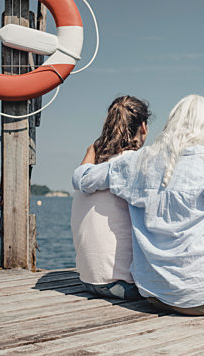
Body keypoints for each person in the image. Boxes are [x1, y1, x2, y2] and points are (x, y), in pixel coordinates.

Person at [72, 94, 204, 315]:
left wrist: (90, 152)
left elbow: (82, 179)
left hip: (153, 293)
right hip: (203, 292)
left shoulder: (138, 161)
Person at [70, 95, 151, 300]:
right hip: (123, 286)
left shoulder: (91, 170)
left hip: (88, 280)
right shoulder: (134, 163)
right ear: (143, 127)